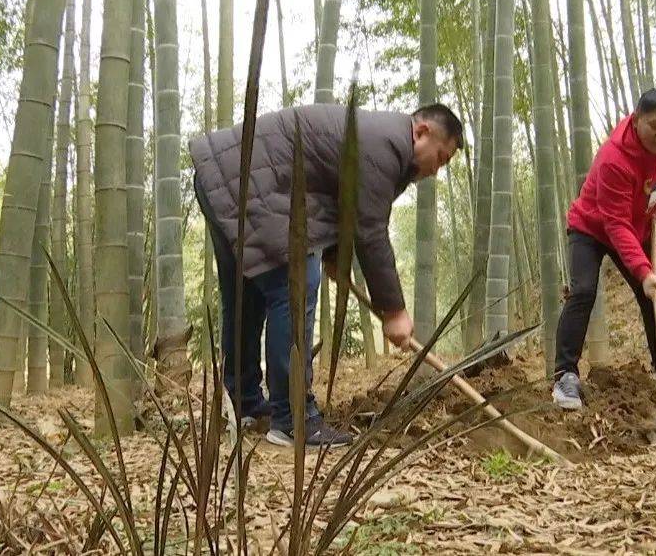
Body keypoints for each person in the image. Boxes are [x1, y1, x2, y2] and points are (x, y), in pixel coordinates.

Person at [189, 103, 463, 447]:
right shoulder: (386, 145)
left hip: (220, 176)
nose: (436, 171)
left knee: (248, 293)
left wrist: (333, 257)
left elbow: (342, 204)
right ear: (421, 131)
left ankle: (240, 403)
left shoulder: (380, 139)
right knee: (296, 284)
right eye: (441, 157)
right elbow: (369, 230)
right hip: (250, 182)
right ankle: (293, 420)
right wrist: (394, 312)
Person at [551, 88, 656, 410]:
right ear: (636, 121)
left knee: (655, 297)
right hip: (591, 227)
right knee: (583, 292)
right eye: (655, 126)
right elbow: (615, 223)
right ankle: (565, 375)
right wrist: (644, 271)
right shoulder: (613, 159)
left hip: (637, 226)